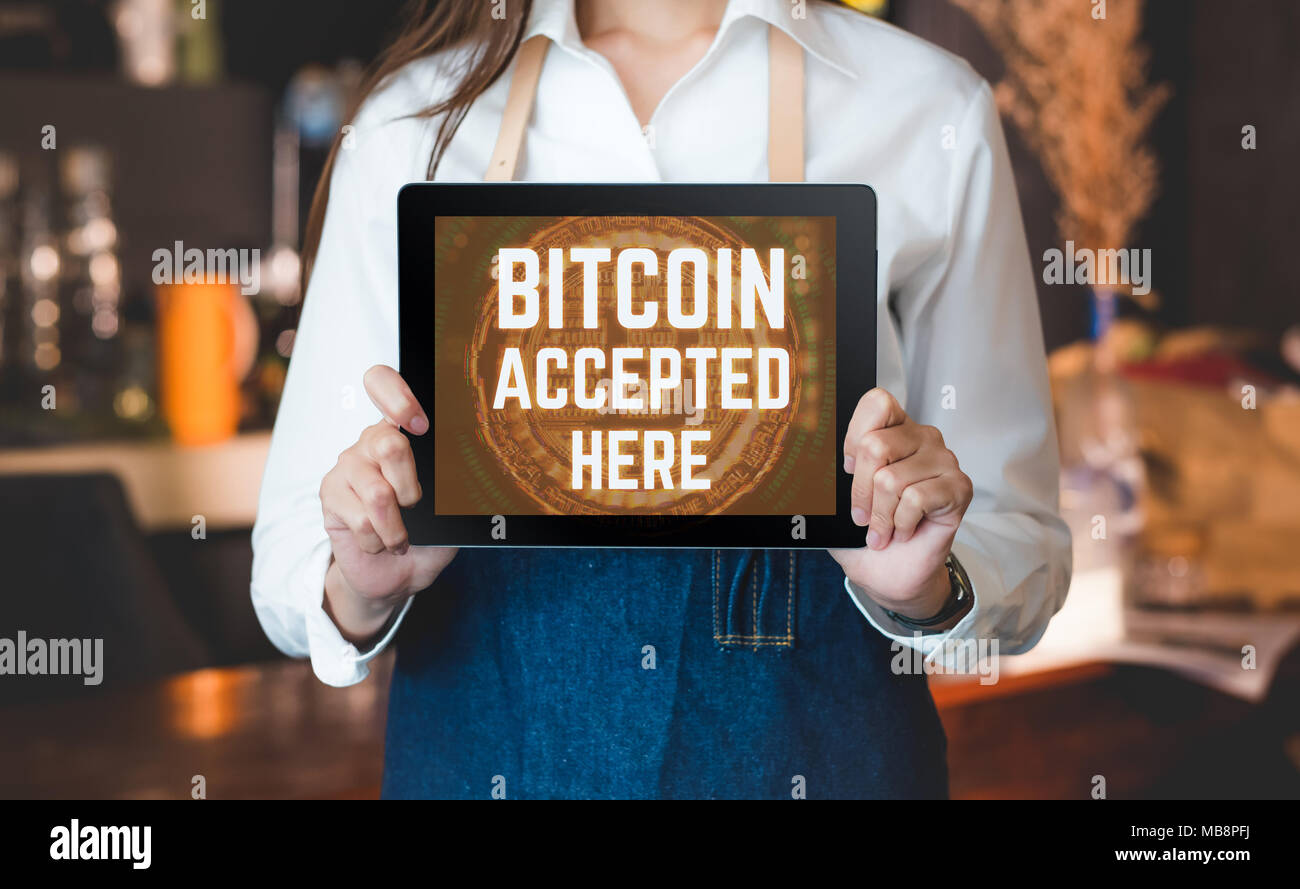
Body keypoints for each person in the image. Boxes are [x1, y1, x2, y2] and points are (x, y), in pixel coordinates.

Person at [251, 0, 1071, 799]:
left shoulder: (928, 104)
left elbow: (1018, 535)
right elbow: (292, 562)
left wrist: (927, 588)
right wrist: (363, 581)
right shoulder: (407, 123)